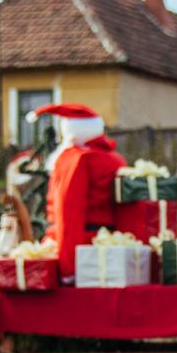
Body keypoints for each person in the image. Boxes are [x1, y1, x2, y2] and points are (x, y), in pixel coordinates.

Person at [28, 103, 127, 281]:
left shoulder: (75, 159)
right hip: (111, 249)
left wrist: (68, 267)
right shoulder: (115, 159)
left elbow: (68, 212)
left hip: (79, 249)